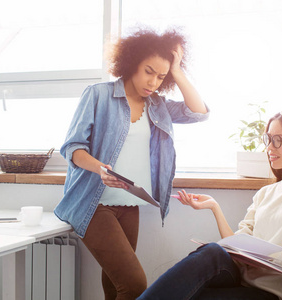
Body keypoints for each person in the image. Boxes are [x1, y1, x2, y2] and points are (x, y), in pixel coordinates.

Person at [137, 106, 282, 300]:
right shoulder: (265, 193)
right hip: (239, 277)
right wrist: (215, 207)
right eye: (268, 139)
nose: (270, 148)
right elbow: (237, 245)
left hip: (267, 293)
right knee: (212, 252)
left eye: (278, 140)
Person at [54, 28, 209, 300]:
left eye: (162, 76)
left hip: (129, 205)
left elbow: (199, 113)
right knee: (135, 284)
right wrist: (100, 168)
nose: (154, 82)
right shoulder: (98, 95)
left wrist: (178, 72)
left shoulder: (158, 106)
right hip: (94, 203)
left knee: (116, 286)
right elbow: (73, 148)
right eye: (149, 71)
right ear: (131, 63)